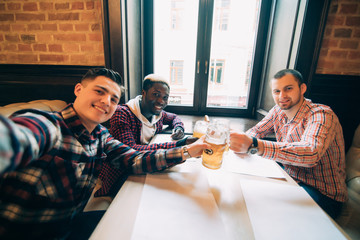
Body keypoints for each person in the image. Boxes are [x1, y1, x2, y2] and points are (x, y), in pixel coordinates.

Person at [0, 68, 208, 239]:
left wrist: (189, 151)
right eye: (99, 91)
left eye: (113, 98)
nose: (106, 101)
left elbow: (134, 159)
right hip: (25, 234)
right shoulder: (49, 126)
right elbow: (17, 136)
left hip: (69, 225)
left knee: (148, 226)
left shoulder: (101, 135)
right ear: (78, 89)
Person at [229, 69, 347, 220]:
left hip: (323, 193)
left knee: (271, 214)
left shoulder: (322, 114)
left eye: (288, 89)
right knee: (245, 195)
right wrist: (243, 140)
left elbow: (310, 154)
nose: (282, 96)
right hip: (289, 179)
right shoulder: (278, 110)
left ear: (302, 88)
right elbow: (257, 131)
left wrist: (254, 145)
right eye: (276, 91)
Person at [96, 74, 197, 197]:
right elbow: (132, 150)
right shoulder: (122, 113)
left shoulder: (157, 114)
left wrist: (178, 127)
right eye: (156, 94)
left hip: (146, 164)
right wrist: (180, 144)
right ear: (143, 92)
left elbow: (174, 117)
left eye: (165, 97)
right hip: (121, 174)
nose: (161, 101)